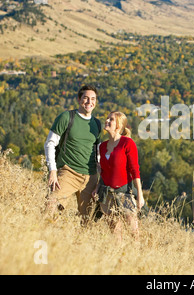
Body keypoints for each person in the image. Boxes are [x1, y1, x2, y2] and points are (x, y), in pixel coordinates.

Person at [44, 85, 101, 223]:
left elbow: (97, 151)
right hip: (68, 172)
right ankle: (44, 238)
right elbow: (50, 143)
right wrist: (52, 170)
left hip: (90, 177)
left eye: (93, 99)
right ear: (79, 99)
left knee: (87, 221)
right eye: (86, 98)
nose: (89, 102)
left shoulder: (97, 124)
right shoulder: (66, 117)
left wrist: (100, 177)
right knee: (50, 206)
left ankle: (79, 244)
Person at [94, 111, 145, 240]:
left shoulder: (127, 143)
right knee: (115, 234)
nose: (107, 120)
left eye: (110, 119)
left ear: (118, 126)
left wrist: (140, 194)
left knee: (134, 233)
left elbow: (135, 170)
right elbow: (104, 171)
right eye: (107, 118)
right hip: (107, 195)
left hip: (125, 193)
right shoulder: (103, 146)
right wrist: (97, 188)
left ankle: (138, 257)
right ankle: (118, 258)